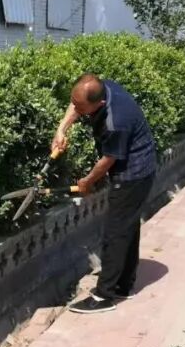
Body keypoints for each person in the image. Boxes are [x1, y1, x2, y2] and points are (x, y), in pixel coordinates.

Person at [53, 73, 157, 314]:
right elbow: (76, 103)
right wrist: (61, 130)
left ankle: (104, 296)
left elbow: (109, 158)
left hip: (134, 173)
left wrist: (88, 182)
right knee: (127, 228)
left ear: (98, 105)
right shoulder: (100, 89)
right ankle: (123, 283)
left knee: (115, 233)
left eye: (82, 107)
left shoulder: (114, 121)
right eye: (74, 101)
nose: (76, 108)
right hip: (134, 165)